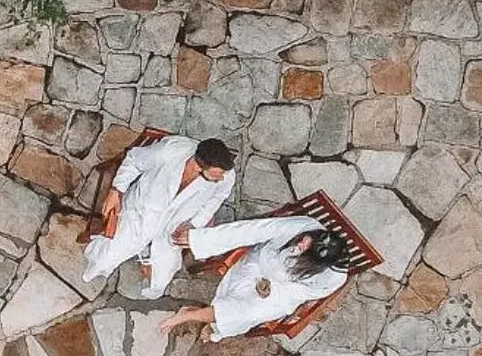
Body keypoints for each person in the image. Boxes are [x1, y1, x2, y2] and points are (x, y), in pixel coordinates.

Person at [82, 135, 237, 296]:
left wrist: (194, 224)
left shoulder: (227, 176)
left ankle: (148, 256)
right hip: (141, 212)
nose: (222, 178)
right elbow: (134, 160)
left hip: (174, 224)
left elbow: (216, 200)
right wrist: (117, 190)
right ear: (199, 166)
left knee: (161, 276)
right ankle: (124, 254)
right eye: (218, 173)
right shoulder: (168, 152)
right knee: (103, 258)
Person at [162, 215, 356, 340]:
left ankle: (200, 318)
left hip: (279, 294)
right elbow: (253, 230)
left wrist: (273, 289)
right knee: (236, 295)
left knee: (248, 312)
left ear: (315, 263)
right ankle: (203, 319)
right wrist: (201, 238)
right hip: (259, 265)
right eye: (303, 241)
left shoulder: (332, 278)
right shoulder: (302, 226)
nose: (299, 245)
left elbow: (299, 293)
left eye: (304, 250)